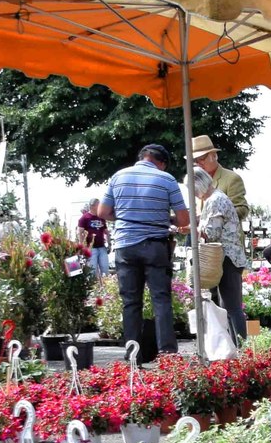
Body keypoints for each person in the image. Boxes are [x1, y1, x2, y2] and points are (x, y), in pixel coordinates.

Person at [98, 143, 190, 361]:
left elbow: (103, 212)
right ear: (161, 163)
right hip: (155, 246)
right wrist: (164, 219)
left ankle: (132, 356)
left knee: (130, 302)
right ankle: (167, 354)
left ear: (142, 157)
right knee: (161, 300)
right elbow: (184, 219)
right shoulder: (166, 179)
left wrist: (125, 218)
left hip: (125, 246)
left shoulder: (117, 176)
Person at [193, 167, 249, 345]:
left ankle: (240, 347)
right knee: (227, 307)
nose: (194, 195)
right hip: (227, 257)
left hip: (227, 258)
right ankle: (233, 346)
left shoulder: (215, 200)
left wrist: (194, 230)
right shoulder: (215, 198)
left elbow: (212, 232)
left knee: (231, 308)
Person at [190, 134, 248, 216]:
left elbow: (242, 210)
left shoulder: (232, 178)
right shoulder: (197, 182)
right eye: (195, 160)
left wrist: (215, 216)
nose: (198, 163)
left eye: (201, 158)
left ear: (214, 156)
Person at [77, 197, 111, 275]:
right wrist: (82, 246)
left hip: (102, 247)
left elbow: (106, 231)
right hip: (91, 249)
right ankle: (95, 286)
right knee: (92, 272)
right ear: (93, 206)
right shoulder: (84, 218)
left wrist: (109, 244)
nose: (100, 206)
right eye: (98, 205)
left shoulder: (101, 217)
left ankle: (105, 286)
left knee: (105, 271)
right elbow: (80, 232)